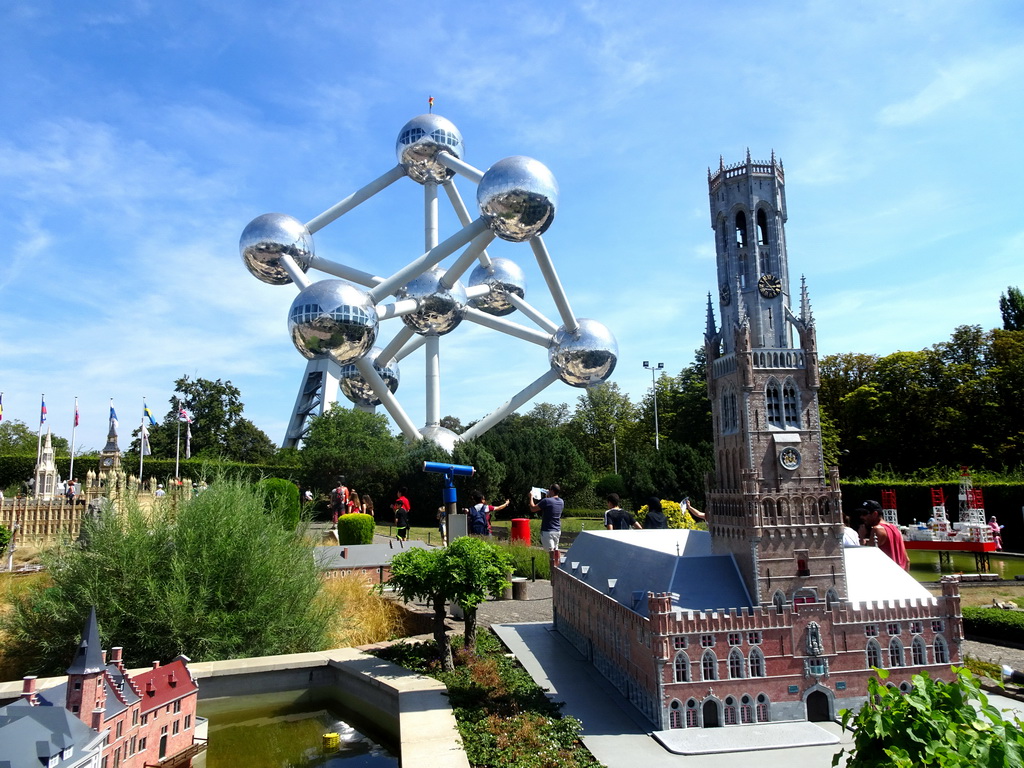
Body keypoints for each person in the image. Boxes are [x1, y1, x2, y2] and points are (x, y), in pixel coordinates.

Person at [856, 500, 909, 570]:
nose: (861, 517)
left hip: (886, 574)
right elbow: (907, 560)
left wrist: (862, 537)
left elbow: (866, 557)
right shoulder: (895, 529)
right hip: (900, 574)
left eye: (864, 513)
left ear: (875, 514)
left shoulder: (877, 530)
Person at [529, 484, 564, 568]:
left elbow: (533, 508)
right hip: (557, 530)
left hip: (548, 531)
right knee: (555, 552)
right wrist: (548, 495)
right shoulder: (561, 501)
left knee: (551, 554)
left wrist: (531, 497)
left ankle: (553, 571)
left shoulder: (546, 501)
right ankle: (558, 568)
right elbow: (551, 505)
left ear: (552, 491)